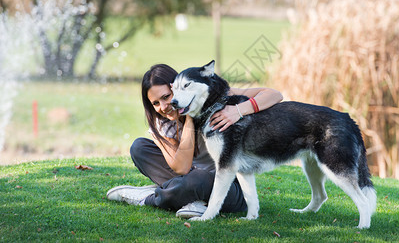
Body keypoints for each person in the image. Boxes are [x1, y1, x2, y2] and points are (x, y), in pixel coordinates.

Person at [106, 63, 283, 218]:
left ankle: (150, 198)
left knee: (197, 179)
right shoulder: (163, 124)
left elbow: (274, 95)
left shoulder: (214, 98)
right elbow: (181, 168)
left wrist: (237, 111)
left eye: (166, 97)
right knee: (139, 147)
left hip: (228, 186)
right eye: (156, 103)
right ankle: (188, 197)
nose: (164, 107)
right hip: (191, 178)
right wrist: (190, 117)